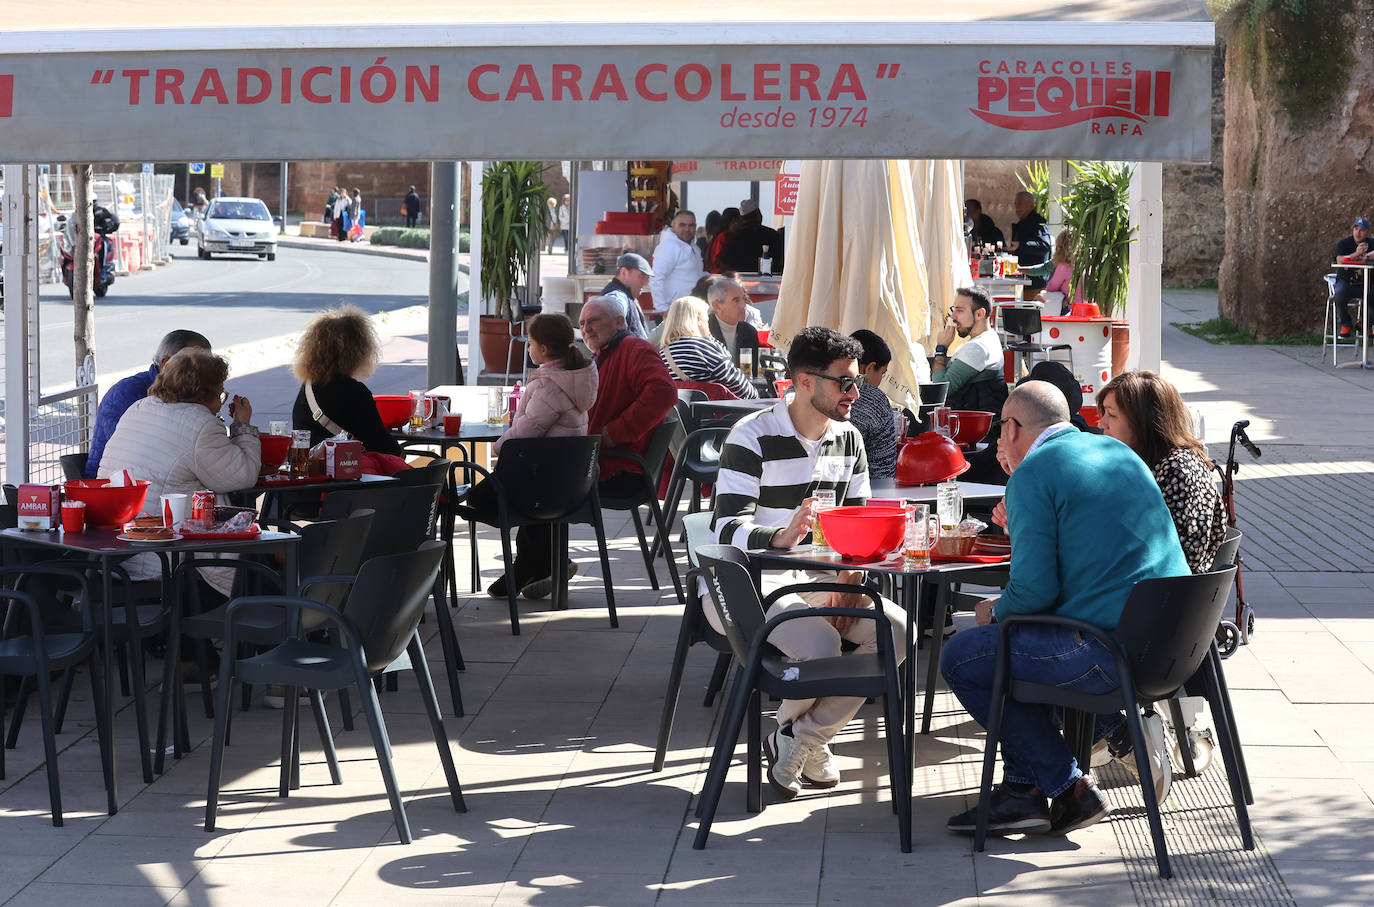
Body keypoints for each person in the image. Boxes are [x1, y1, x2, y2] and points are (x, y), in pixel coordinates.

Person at [940, 381, 1190, 837]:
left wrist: (992, 612)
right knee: (1010, 650)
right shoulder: (1118, 452)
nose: (998, 444)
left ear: (1013, 428)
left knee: (964, 654)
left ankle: (1069, 787)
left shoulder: (1034, 473)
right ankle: (1023, 793)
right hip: (1176, 651)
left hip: (1111, 654)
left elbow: (1033, 593)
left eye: (1000, 432)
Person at [712, 326, 908, 799]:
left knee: (899, 633)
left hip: (820, 579)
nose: (856, 393)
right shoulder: (752, 436)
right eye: (844, 382)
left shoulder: (849, 438)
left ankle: (799, 737)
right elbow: (724, 528)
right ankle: (804, 742)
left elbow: (859, 524)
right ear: (803, 382)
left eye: (857, 381)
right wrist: (780, 536)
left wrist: (851, 575)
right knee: (821, 641)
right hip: (751, 584)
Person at [99, 347, 261, 596]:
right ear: (204, 392)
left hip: (116, 555)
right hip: (165, 562)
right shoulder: (201, 424)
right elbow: (243, 475)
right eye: (220, 394)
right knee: (264, 568)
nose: (220, 402)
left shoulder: (139, 408)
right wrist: (242, 426)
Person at [1097, 371, 1226, 574]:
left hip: (1160, 597)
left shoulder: (1178, 471)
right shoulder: (1158, 463)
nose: (1101, 423)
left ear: (1143, 422)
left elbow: (1176, 559)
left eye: (1111, 414)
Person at [86, 329, 212, 478]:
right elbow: (140, 451)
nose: (205, 373)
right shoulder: (127, 392)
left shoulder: (188, 394)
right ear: (165, 363)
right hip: (112, 485)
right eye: (196, 365)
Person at [290, 305, 404, 456]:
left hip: (308, 472)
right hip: (345, 474)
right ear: (358, 352)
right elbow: (386, 447)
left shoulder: (308, 387)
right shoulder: (354, 392)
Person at [658, 296, 757, 399]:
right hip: (716, 412)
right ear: (698, 320)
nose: (708, 325)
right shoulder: (705, 347)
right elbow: (738, 385)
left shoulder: (662, 354)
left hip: (679, 414)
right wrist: (756, 396)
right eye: (706, 320)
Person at [931, 286, 1007, 413]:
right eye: (953, 309)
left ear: (979, 314)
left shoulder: (978, 347)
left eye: (960, 311)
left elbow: (941, 389)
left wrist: (941, 349)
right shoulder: (988, 337)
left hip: (970, 427)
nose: (953, 316)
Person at [847, 329, 899, 479]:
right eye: (882, 373)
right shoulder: (874, 399)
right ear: (869, 368)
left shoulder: (805, 390)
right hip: (861, 494)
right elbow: (883, 472)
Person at [651, 210, 706, 307]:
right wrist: (662, 308)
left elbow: (695, 274)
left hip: (690, 308)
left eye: (691, 225)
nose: (687, 229)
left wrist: (717, 278)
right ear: (673, 225)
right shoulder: (669, 246)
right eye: (682, 225)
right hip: (673, 310)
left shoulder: (694, 248)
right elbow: (656, 278)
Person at [1331, 216, 1373, 337]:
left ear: (1367, 232)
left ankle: (1366, 324)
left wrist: (1366, 256)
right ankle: (1346, 323)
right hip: (1346, 282)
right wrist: (1357, 254)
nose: (1358, 232)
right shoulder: (1344, 243)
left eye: (1362, 230)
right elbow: (1339, 260)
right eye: (1356, 229)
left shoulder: (1371, 243)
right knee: (1339, 294)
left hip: (1366, 283)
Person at [719, 198, 783, 274]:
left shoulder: (733, 239)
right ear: (759, 215)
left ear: (741, 218)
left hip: (741, 283)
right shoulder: (774, 236)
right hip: (770, 283)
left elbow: (725, 265)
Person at [706, 277, 761, 364]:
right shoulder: (704, 330)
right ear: (717, 306)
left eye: (744, 299)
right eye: (736, 300)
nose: (743, 305)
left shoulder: (749, 332)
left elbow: (755, 371)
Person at [600, 252, 652, 340]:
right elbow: (610, 317)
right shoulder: (617, 295)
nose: (645, 283)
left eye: (647, 278)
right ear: (624, 272)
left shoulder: (628, 295)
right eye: (642, 276)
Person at [1008, 190, 1052, 291]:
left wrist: (1021, 245)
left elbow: (1044, 246)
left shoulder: (1038, 222)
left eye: (1020, 204)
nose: (1017, 208)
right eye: (1016, 204)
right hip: (1021, 279)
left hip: (1035, 282)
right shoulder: (1021, 223)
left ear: (1030, 205)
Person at [1038, 230, 1087, 315]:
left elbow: (1051, 288)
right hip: (1087, 309)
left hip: (1070, 309)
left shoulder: (1064, 267)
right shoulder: (1085, 265)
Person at [708, 207, 740, 273]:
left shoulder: (731, 236)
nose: (738, 224)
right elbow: (717, 261)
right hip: (722, 275)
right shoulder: (723, 237)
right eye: (735, 221)